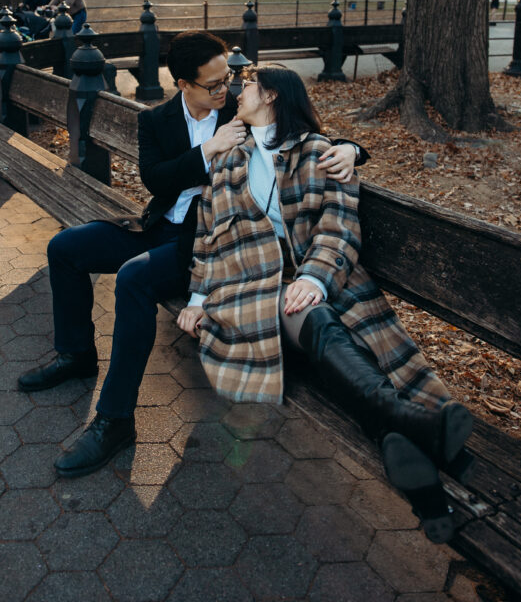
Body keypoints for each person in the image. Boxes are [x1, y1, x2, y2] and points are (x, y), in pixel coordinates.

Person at [17, 32, 367, 478]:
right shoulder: (157, 120)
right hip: (157, 226)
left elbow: (301, 129)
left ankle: (116, 419)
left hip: (208, 245)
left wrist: (352, 149)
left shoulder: (241, 110)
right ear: (184, 83)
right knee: (64, 248)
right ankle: (76, 354)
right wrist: (209, 149)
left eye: (231, 79)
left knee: (133, 281)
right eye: (215, 84)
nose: (228, 90)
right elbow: (157, 181)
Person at [177, 65, 474, 543]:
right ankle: (404, 418)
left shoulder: (321, 154)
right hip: (246, 289)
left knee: (311, 313)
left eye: (248, 85)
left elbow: (339, 225)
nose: (237, 91)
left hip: (311, 287)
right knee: (306, 314)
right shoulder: (229, 158)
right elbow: (207, 236)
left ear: (271, 95)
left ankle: (400, 436)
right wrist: (197, 296)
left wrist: (315, 276)